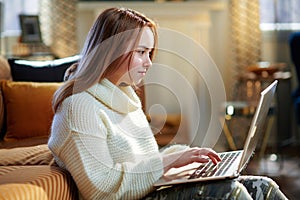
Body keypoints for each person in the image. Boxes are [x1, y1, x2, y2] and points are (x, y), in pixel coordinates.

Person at [48, 7, 288, 200]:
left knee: (264, 186)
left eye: (149, 53)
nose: (149, 63)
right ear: (112, 51)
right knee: (231, 192)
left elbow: (143, 161)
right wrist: (169, 162)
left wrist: (186, 155)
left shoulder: (124, 96)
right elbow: (100, 190)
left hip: (151, 191)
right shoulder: (78, 108)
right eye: (141, 52)